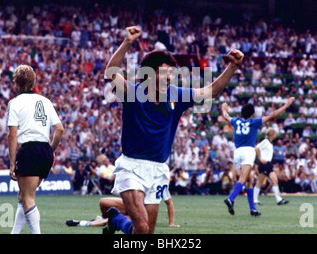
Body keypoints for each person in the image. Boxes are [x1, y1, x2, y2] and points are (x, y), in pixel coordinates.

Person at [103, 26, 244, 234]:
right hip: (131, 166)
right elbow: (111, 73)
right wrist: (127, 43)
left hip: (159, 168)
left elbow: (211, 91)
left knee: (145, 231)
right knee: (141, 225)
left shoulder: (177, 95)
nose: (170, 76)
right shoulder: (133, 92)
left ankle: (116, 220)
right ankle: (117, 220)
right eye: (164, 72)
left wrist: (233, 66)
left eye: (172, 72)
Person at [7, 65, 64, 234]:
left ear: (16, 82)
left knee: (28, 198)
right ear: (33, 81)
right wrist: (51, 150)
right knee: (23, 196)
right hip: (45, 150)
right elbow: (59, 129)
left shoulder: (15, 103)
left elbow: (12, 135)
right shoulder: (45, 101)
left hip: (29, 150)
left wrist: (11, 164)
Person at [221, 97, 295, 217]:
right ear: (252, 114)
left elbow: (226, 116)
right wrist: (286, 105)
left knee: (250, 179)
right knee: (244, 179)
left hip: (237, 152)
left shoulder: (236, 121)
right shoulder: (254, 122)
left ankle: (253, 209)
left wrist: (224, 109)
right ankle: (230, 199)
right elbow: (273, 114)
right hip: (248, 151)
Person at [66, 194, 180, 229]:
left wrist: (171, 223)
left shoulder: (160, 182)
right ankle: (102, 219)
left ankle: (84, 223)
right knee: (103, 202)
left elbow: (169, 202)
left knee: (113, 220)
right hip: (129, 204)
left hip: (141, 212)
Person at [253, 128, 289, 205]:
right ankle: (254, 200)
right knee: (259, 182)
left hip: (269, 164)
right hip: (264, 164)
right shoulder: (265, 141)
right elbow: (256, 148)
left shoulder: (270, 143)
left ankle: (279, 199)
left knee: (274, 180)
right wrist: (260, 159)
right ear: (272, 134)